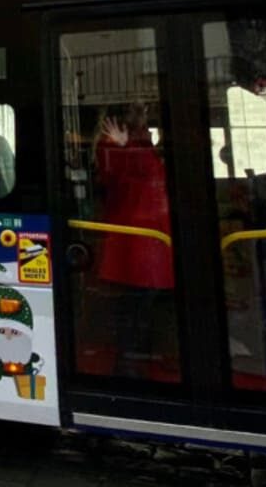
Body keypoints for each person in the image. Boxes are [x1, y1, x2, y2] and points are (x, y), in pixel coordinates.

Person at [81, 101, 178, 380]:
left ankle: (136, 359)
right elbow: (148, 178)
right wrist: (128, 147)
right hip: (138, 241)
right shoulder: (116, 148)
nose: (147, 118)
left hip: (147, 239)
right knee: (136, 306)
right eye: (141, 115)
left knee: (140, 305)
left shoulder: (135, 146)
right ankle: (128, 363)